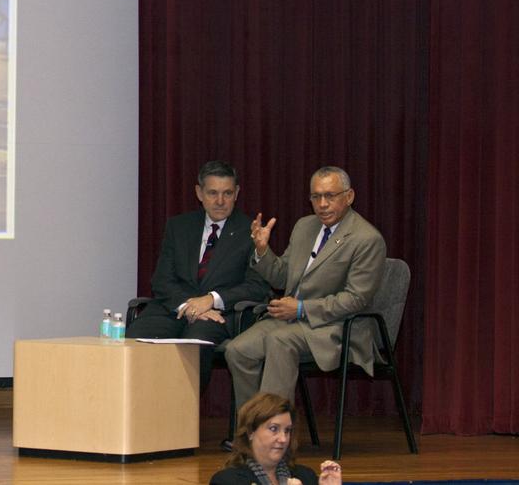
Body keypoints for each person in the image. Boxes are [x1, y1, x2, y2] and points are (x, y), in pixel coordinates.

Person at [224, 166, 387, 411]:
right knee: (238, 350)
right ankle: (252, 429)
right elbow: (281, 278)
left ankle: (273, 434)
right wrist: (261, 251)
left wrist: (301, 308)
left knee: (280, 341)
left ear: (349, 196)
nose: (322, 204)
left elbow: (355, 299)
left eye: (330, 196)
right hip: (292, 320)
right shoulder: (304, 227)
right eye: (316, 197)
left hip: (337, 327)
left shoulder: (366, 238)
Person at [127, 160, 270, 391]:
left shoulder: (251, 231)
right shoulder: (179, 226)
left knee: (195, 343)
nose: (220, 201)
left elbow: (257, 287)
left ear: (237, 194)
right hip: (174, 307)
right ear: (199, 193)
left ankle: (184, 415)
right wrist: (190, 305)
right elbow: (162, 280)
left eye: (227, 193)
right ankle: (142, 410)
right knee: (139, 335)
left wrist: (210, 300)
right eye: (213, 193)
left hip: (221, 314)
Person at [211, 392, 342, 485]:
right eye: (274, 429)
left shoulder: (306, 476)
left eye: (287, 430)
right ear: (251, 431)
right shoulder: (227, 481)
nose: (283, 439)